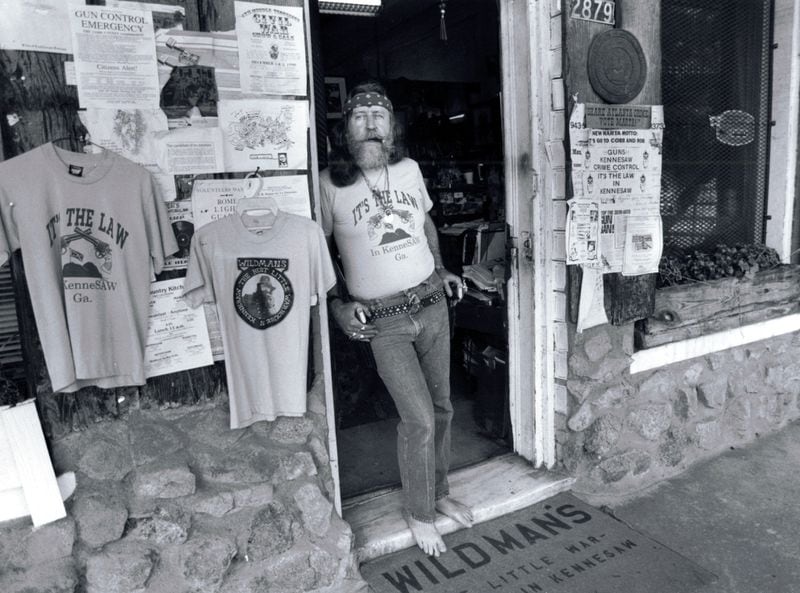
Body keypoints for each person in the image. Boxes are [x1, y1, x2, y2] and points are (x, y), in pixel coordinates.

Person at [319, 81, 474, 557]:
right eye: (360, 116)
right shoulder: (329, 184)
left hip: (430, 302)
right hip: (383, 319)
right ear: (345, 128)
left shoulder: (408, 169)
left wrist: (442, 264)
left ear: (393, 129)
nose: (370, 123)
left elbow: (425, 221)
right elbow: (319, 250)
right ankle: (418, 511)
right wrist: (336, 304)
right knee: (419, 417)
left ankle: (438, 492)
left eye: (379, 116)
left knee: (443, 407)